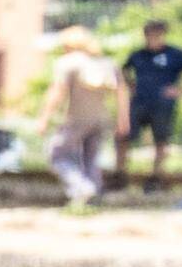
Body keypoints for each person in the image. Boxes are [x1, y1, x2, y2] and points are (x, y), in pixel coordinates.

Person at [44, 26, 123, 205]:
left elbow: (58, 91)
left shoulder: (68, 63)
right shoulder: (106, 63)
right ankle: (94, 196)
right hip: (101, 118)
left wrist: (45, 117)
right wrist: (122, 119)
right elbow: (121, 92)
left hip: (76, 118)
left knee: (58, 155)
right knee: (91, 159)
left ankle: (82, 189)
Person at [122, 16, 182, 184]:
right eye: (150, 33)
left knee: (161, 140)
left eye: (157, 34)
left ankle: (157, 175)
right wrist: (131, 86)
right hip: (139, 102)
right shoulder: (138, 55)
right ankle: (121, 173)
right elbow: (124, 70)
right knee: (124, 136)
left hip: (162, 104)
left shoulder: (175, 54)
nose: (153, 37)